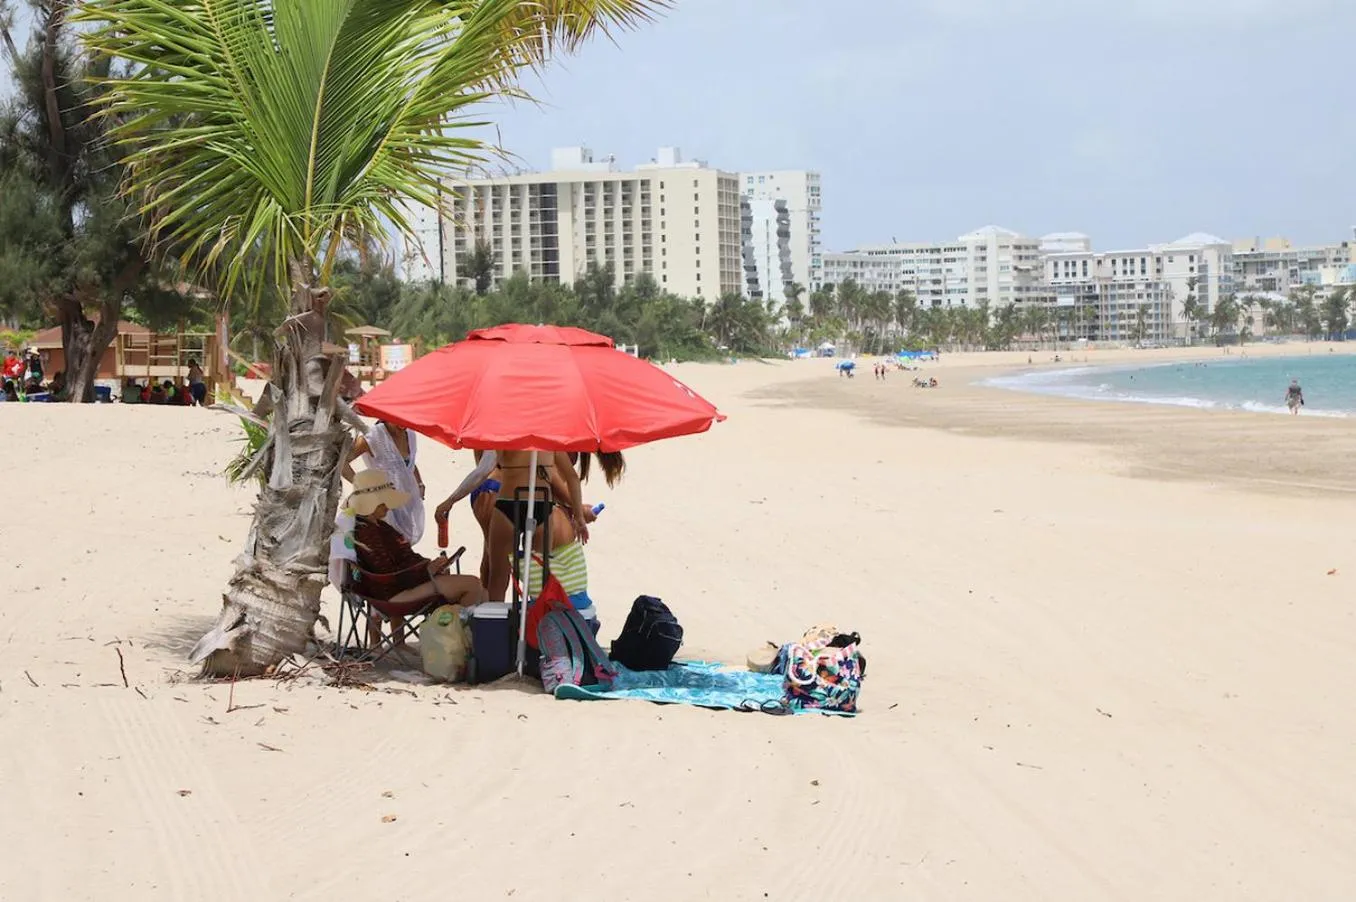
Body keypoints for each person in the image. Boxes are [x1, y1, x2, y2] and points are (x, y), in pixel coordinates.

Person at [329, 469, 487, 648]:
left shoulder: (378, 527)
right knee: (472, 585)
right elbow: (385, 572)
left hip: (399, 587)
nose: (388, 506)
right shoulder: (366, 532)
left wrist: (429, 566)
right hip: (393, 595)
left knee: (482, 592)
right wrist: (426, 570)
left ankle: (469, 644)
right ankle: (463, 645)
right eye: (385, 502)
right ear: (373, 503)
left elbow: (402, 559)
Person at [343, 420, 424, 544]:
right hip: (384, 506)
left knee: (403, 546)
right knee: (388, 543)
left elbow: (409, 464)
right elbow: (342, 463)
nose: (402, 423)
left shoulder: (410, 434)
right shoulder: (373, 436)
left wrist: (420, 483)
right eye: (397, 418)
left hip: (408, 503)